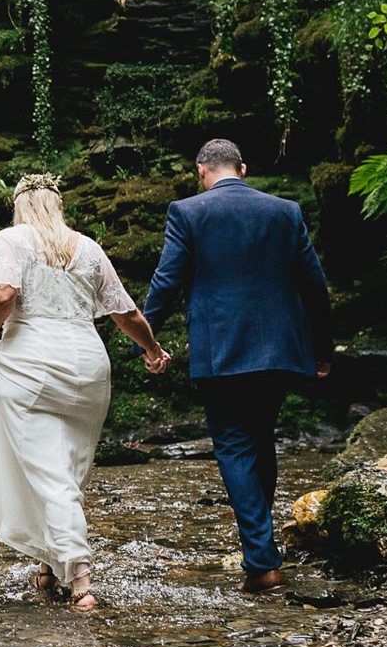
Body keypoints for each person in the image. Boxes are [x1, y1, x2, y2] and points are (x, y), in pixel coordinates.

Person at [140, 139, 333, 594]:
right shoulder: (285, 211)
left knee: (233, 445)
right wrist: (321, 349)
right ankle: (260, 545)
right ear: (242, 168)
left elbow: (166, 282)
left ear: (201, 171)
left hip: (221, 350)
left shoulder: (187, 212)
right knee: (260, 438)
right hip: (279, 352)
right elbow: (315, 285)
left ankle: (264, 563)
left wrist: (145, 341)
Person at [0, 173, 170, 613]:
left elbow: (5, 293)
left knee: (50, 475)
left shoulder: (10, 239)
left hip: (33, 362)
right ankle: (48, 565)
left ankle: (80, 581)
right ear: (58, 205)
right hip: (89, 365)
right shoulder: (88, 247)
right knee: (65, 472)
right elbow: (127, 311)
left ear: (20, 206)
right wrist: (153, 350)